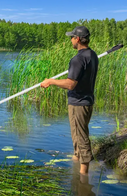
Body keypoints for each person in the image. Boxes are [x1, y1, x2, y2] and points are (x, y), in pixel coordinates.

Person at [40, 26, 98, 175]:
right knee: (78, 134)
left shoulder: (78, 59)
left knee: (81, 136)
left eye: (72, 37)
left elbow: (70, 84)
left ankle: (83, 175)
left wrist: (51, 81)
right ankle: (76, 160)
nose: (70, 40)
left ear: (77, 39)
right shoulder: (92, 55)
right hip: (87, 101)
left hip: (78, 103)